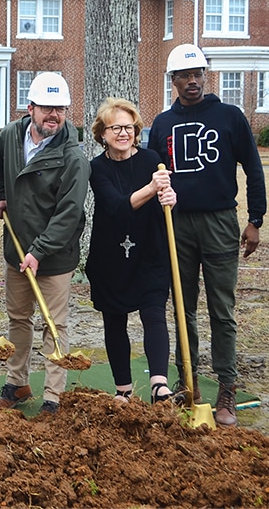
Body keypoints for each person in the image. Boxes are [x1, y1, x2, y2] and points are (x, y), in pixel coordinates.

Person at [147, 43, 266, 427]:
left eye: (198, 73)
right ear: (173, 81)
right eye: (184, 75)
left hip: (219, 221)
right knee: (183, 307)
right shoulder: (163, 123)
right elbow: (153, 176)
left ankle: (227, 388)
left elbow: (253, 166)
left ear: (205, 75)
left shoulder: (229, 116)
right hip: (177, 225)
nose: (192, 81)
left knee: (222, 309)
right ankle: (188, 381)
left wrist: (256, 219)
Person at [0, 72, 90, 415]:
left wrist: (39, 251)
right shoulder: (9, 137)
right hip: (17, 249)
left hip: (55, 256)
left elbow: (69, 213)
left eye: (60, 109)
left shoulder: (73, 158)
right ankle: (17, 384)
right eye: (47, 107)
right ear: (30, 108)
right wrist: (0, 194)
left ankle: (53, 397)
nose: (54, 115)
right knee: (18, 318)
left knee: (53, 324)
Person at [87, 98, 176, 404]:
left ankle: (159, 386)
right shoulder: (97, 167)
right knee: (114, 321)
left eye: (129, 127)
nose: (123, 133)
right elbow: (115, 207)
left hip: (149, 252)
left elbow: (163, 203)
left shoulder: (152, 160)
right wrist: (152, 188)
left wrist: (169, 198)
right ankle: (123, 389)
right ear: (103, 133)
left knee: (154, 314)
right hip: (110, 257)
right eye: (115, 128)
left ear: (137, 131)